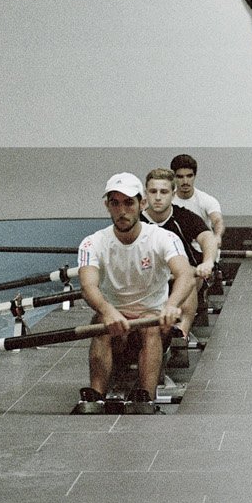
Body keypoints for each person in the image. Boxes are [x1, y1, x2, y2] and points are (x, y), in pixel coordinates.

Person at [76, 172, 195, 407]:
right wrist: (108, 310)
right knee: (100, 322)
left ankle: (145, 396)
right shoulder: (92, 242)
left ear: (141, 204)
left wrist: (171, 305)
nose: (122, 211)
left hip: (152, 322)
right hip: (114, 321)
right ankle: (95, 396)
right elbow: (87, 285)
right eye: (115, 203)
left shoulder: (163, 238)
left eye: (129, 202)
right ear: (107, 206)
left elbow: (186, 275)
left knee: (150, 326)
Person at [141, 167, 218, 337]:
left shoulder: (184, 217)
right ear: (145, 194)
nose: (158, 197)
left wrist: (208, 262)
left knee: (188, 277)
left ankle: (180, 334)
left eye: (164, 192)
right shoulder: (137, 223)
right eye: (153, 192)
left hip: (183, 276)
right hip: (149, 279)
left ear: (173, 194)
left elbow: (207, 238)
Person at [169, 155, 223, 250]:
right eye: (180, 177)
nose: (185, 181)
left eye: (189, 176)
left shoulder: (207, 200)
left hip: (203, 251)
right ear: (173, 177)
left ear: (195, 176)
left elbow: (217, 220)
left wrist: (217, 236)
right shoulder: (168, 200)